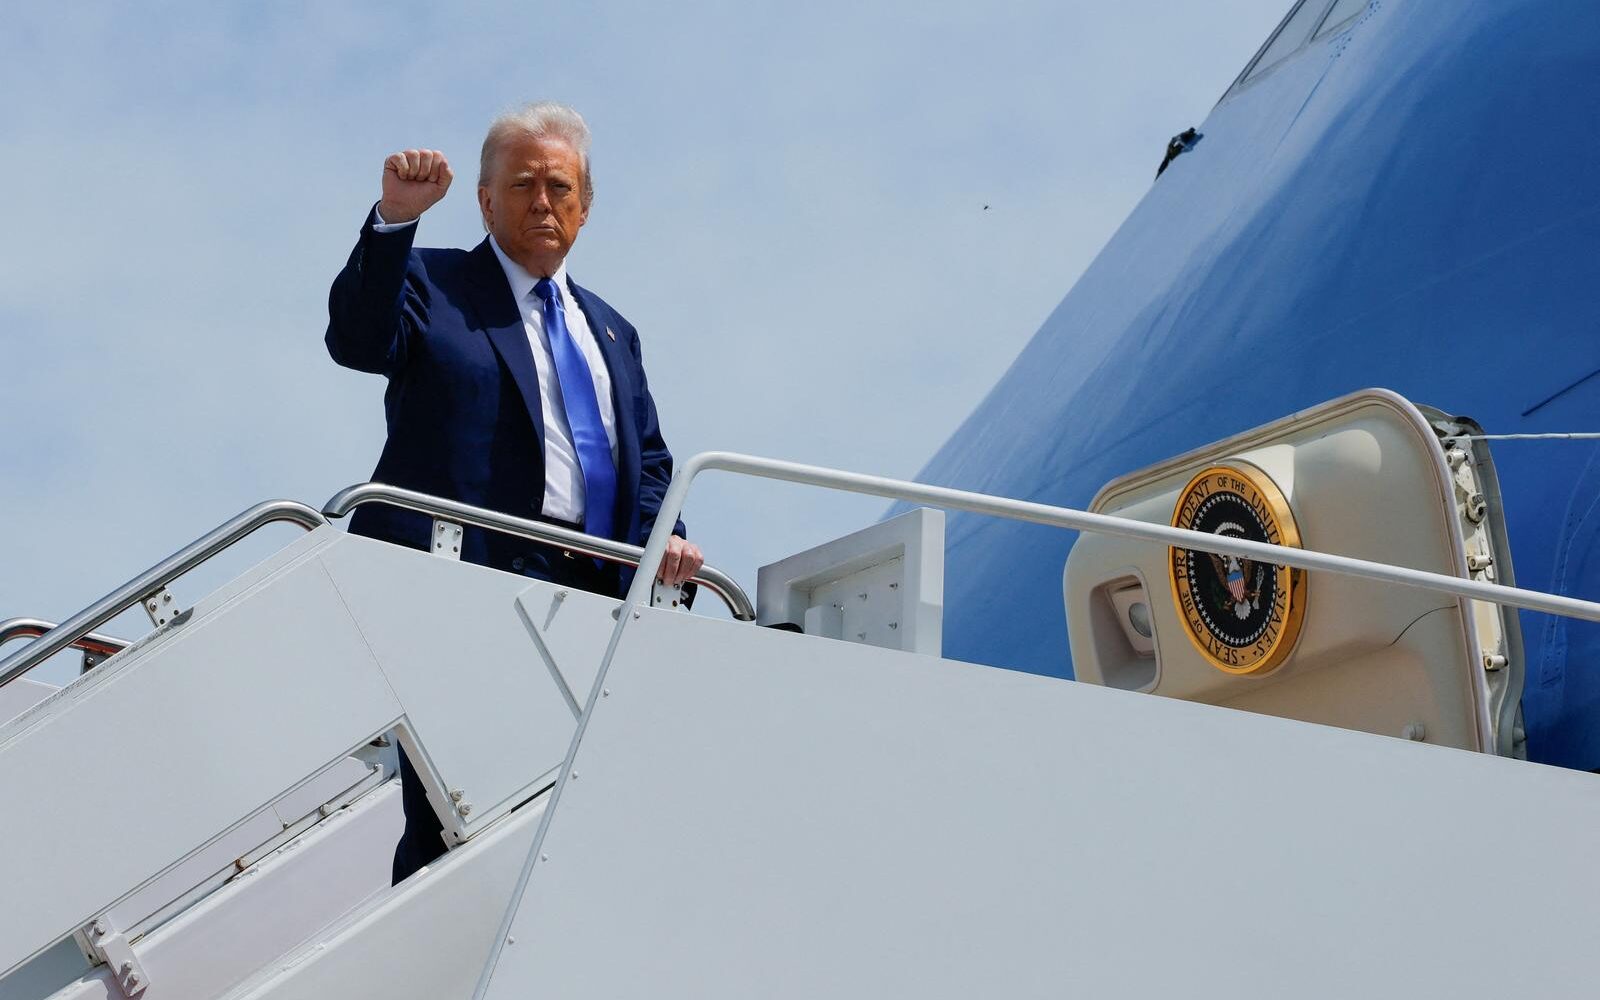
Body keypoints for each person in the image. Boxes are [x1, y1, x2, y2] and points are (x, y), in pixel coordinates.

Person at [326, 101, 703, 882]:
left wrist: (664, 540)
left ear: (585, 208)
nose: (543, 203)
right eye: (523, 185)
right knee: (456, 813)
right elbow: (357, 340)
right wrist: (396, 220)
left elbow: (648, 463)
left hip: (591, 595)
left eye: (560, 188)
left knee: (578, 824)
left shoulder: (612, 331)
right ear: (485, 201)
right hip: (466, 579)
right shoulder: (434, 282)